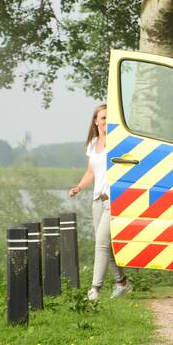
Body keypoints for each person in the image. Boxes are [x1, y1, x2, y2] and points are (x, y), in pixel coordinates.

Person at [68, 104, 133, 301]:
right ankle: (122, 283)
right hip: (97, 200)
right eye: (103, 118)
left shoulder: (117, 143)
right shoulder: (93, 143)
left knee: (101, 244)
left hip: (114, 200)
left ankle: (94, 290)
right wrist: (79, 187)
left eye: (108, 118)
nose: (106, 122)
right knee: (107, 245)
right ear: (96, 121)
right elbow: (91, 172)